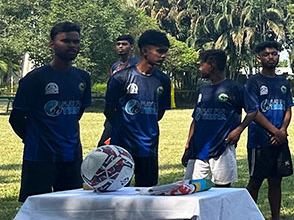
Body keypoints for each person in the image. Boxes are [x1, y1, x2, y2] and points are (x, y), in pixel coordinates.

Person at [11, 22, 91, 201]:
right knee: (37, 209)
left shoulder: (83, 78)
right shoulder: (35, 79)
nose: (72, 45)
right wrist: (34, 138)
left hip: (71, 156)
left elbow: (77, 112)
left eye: (76, 41)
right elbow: (16, 118)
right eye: (65, 41)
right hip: (40, 157)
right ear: (52, 44)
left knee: (70, 208)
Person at [106, 29, 173, 187]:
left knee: (147, 193)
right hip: (123, 147)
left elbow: (160, 111)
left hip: (149, 147)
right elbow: (108, 110)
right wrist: (125, 129)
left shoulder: (163, 80)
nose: (163, 55)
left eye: (165, 52)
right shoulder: (120, 78)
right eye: (160, 51)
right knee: (118, 191)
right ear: (144, 51)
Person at [244, 42, 292, 220]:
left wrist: (283, 130)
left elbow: (288, 107)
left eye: (274, 54)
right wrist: (275, 131)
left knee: (276, 180)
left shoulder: (283, 82)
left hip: (279, 139)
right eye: (266, 54)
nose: (271, 57)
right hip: (260, 140)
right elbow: (254, 112)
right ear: (259, 59)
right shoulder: (253, 83)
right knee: (255, 181)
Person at [182, 50, 245, 188]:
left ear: (211, 65)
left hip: (222, 147)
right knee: (193, 188)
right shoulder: (203, 89)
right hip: (198, 148)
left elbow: (253, 112)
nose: (199, 68)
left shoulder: (234, 88)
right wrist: (188, 145)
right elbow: (196, 119)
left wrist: (238, 130)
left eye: (201, 64)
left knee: (222, 188)